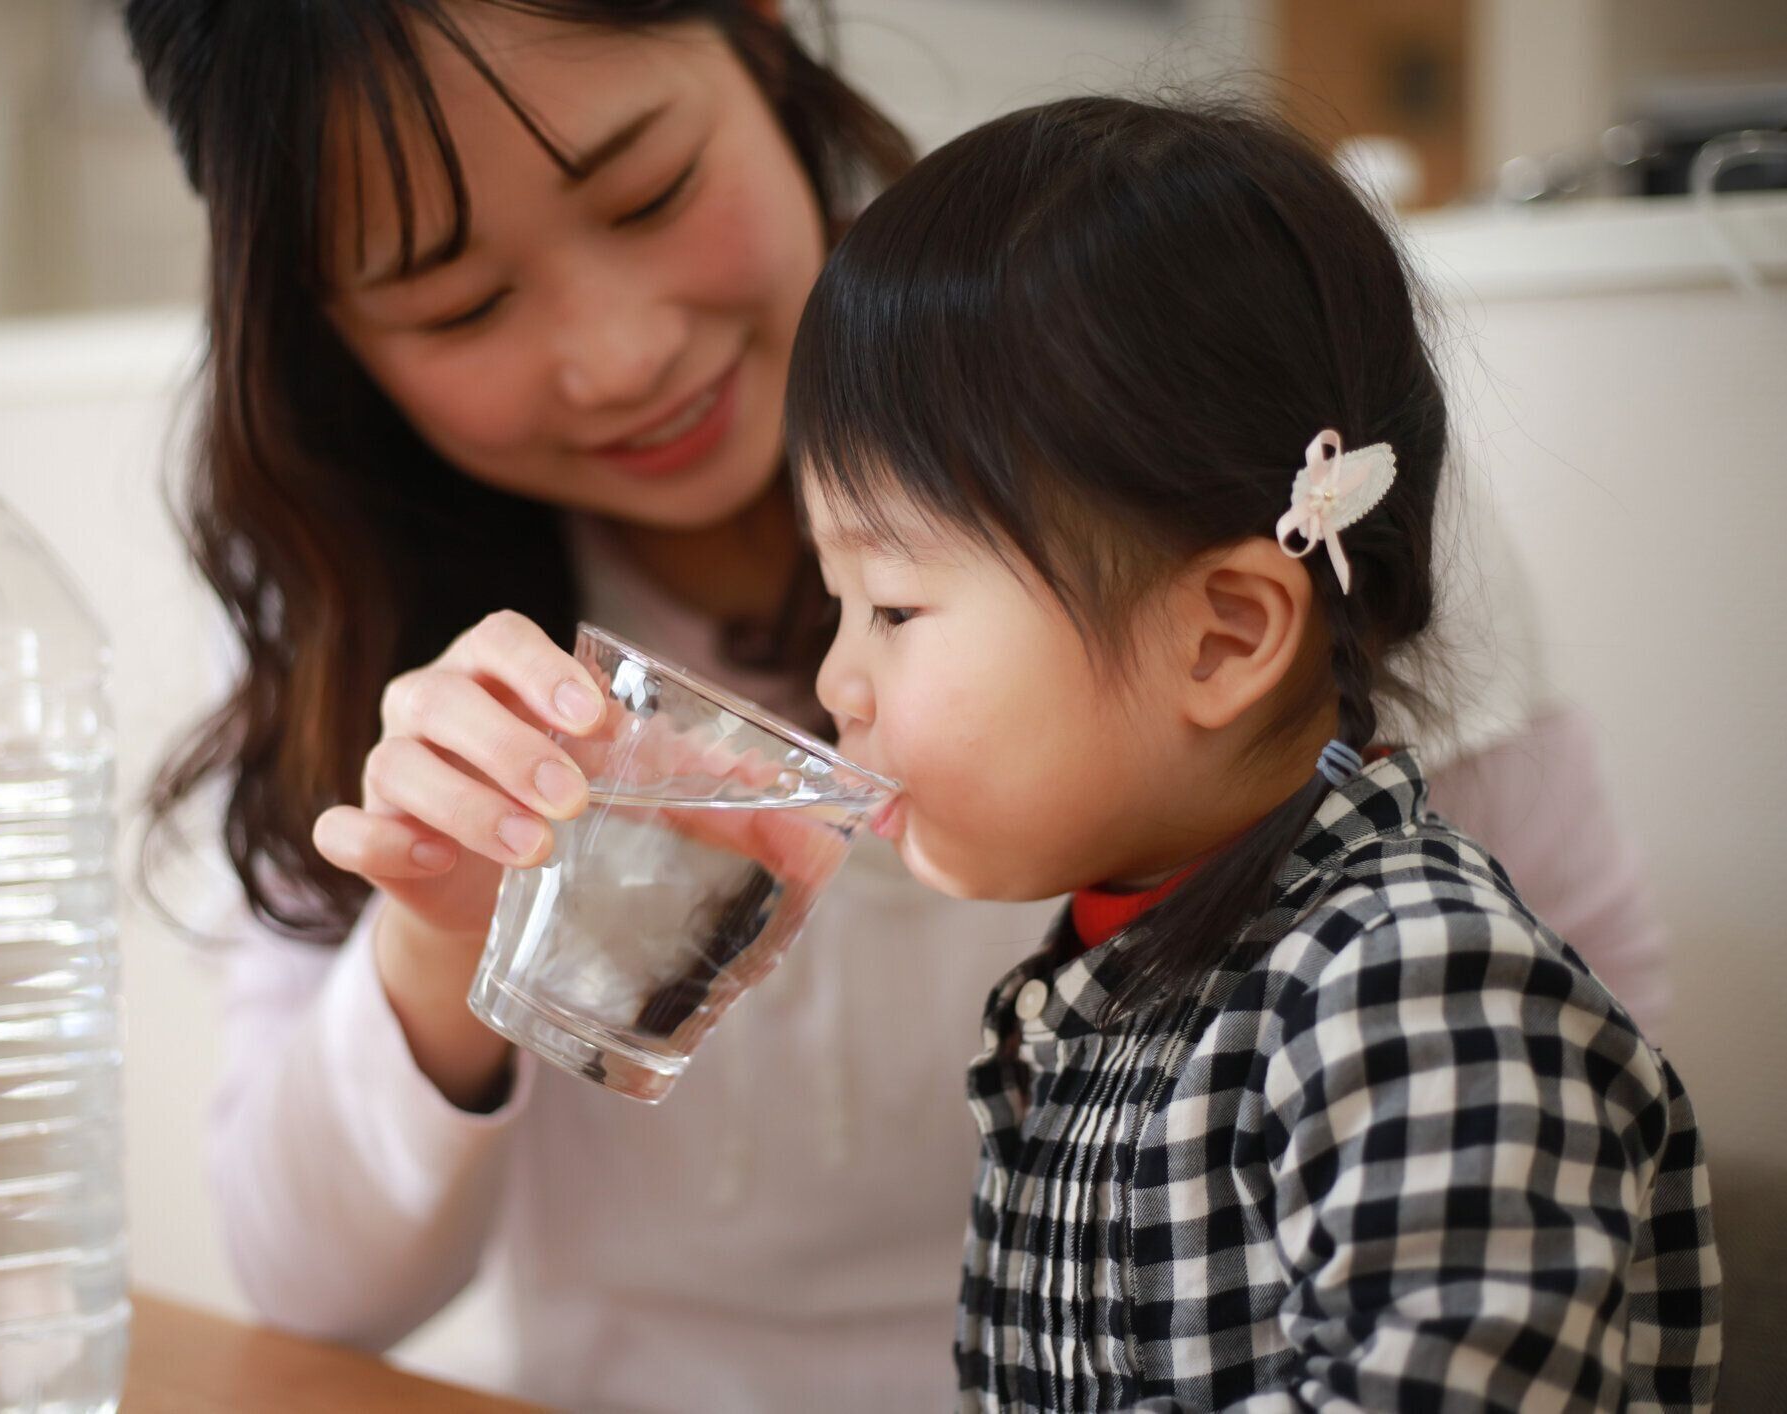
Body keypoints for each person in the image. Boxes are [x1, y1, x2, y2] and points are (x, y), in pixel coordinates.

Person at [120, 3, 1675, 1408]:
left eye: (648, 192)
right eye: (458, 304)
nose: (619, 355)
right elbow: (313, 1297)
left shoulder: (1270, 467)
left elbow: (1538, 1179)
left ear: (759, 38)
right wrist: (439, 932)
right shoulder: (345, 589)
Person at [784, 95, 1721, 1410]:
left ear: (1223, 636)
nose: (835, 682)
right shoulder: (1125, 980)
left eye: (891, 607)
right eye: (835, 602)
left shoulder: (1412, 986)